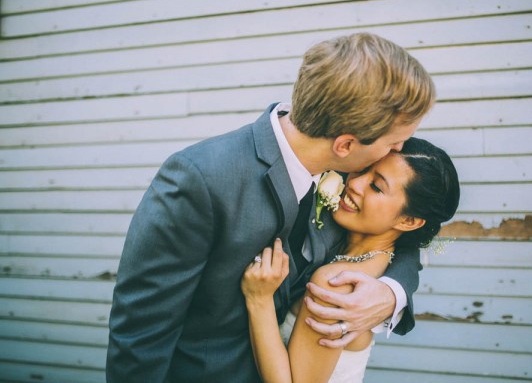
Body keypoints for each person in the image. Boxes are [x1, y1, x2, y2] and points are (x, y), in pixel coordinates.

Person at [106, 32, 435, 382]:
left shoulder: (352, 176)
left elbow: (405, 232)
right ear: (346, 144)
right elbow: (140, 336)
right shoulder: (201, 179)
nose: (398, 151)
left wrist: (391, 293)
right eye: (395, 142)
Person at [242, 137, 460, 383]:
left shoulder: (339, 283)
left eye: (376, 187)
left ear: (408, 221)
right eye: (365, 169)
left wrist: (258, 300)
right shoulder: (370, 261)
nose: (355, 183)